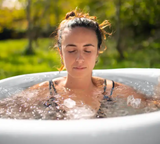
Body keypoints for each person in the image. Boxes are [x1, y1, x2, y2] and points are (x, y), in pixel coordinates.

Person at [0, 10, 160, 119]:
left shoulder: (114, 90)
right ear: (60, 53)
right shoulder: (43, 92)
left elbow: (153, 107)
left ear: (98, 52)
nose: (79, 59)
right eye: (71, 50)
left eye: (87, 50)